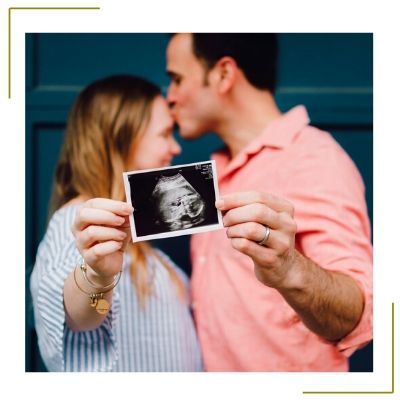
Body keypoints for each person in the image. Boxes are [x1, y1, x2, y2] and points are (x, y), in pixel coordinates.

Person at [166, 33, 372, 371]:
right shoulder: (210, 174)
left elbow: (356, 316)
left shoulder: (314, 159)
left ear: (223, 74)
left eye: (177, 79)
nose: (169, 97)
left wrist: (288, 267)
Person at [30, 75, 203, 372]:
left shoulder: (138, 243)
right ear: (120, 139)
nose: (175, 148)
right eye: (164, 134)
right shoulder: (79, 224)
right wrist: (97, 278)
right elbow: (82, 315)